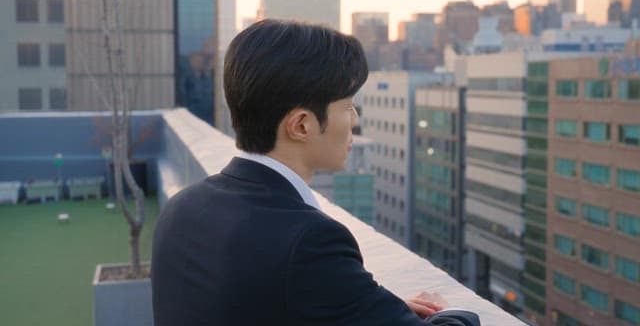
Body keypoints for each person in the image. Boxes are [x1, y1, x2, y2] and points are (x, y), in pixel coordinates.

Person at [151, 19, 480, 326]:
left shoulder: (181, 207)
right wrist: (450, 311)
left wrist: (372, 306)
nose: (355, 120)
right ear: (302, 125)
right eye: (347, 106)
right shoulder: (309, 240)